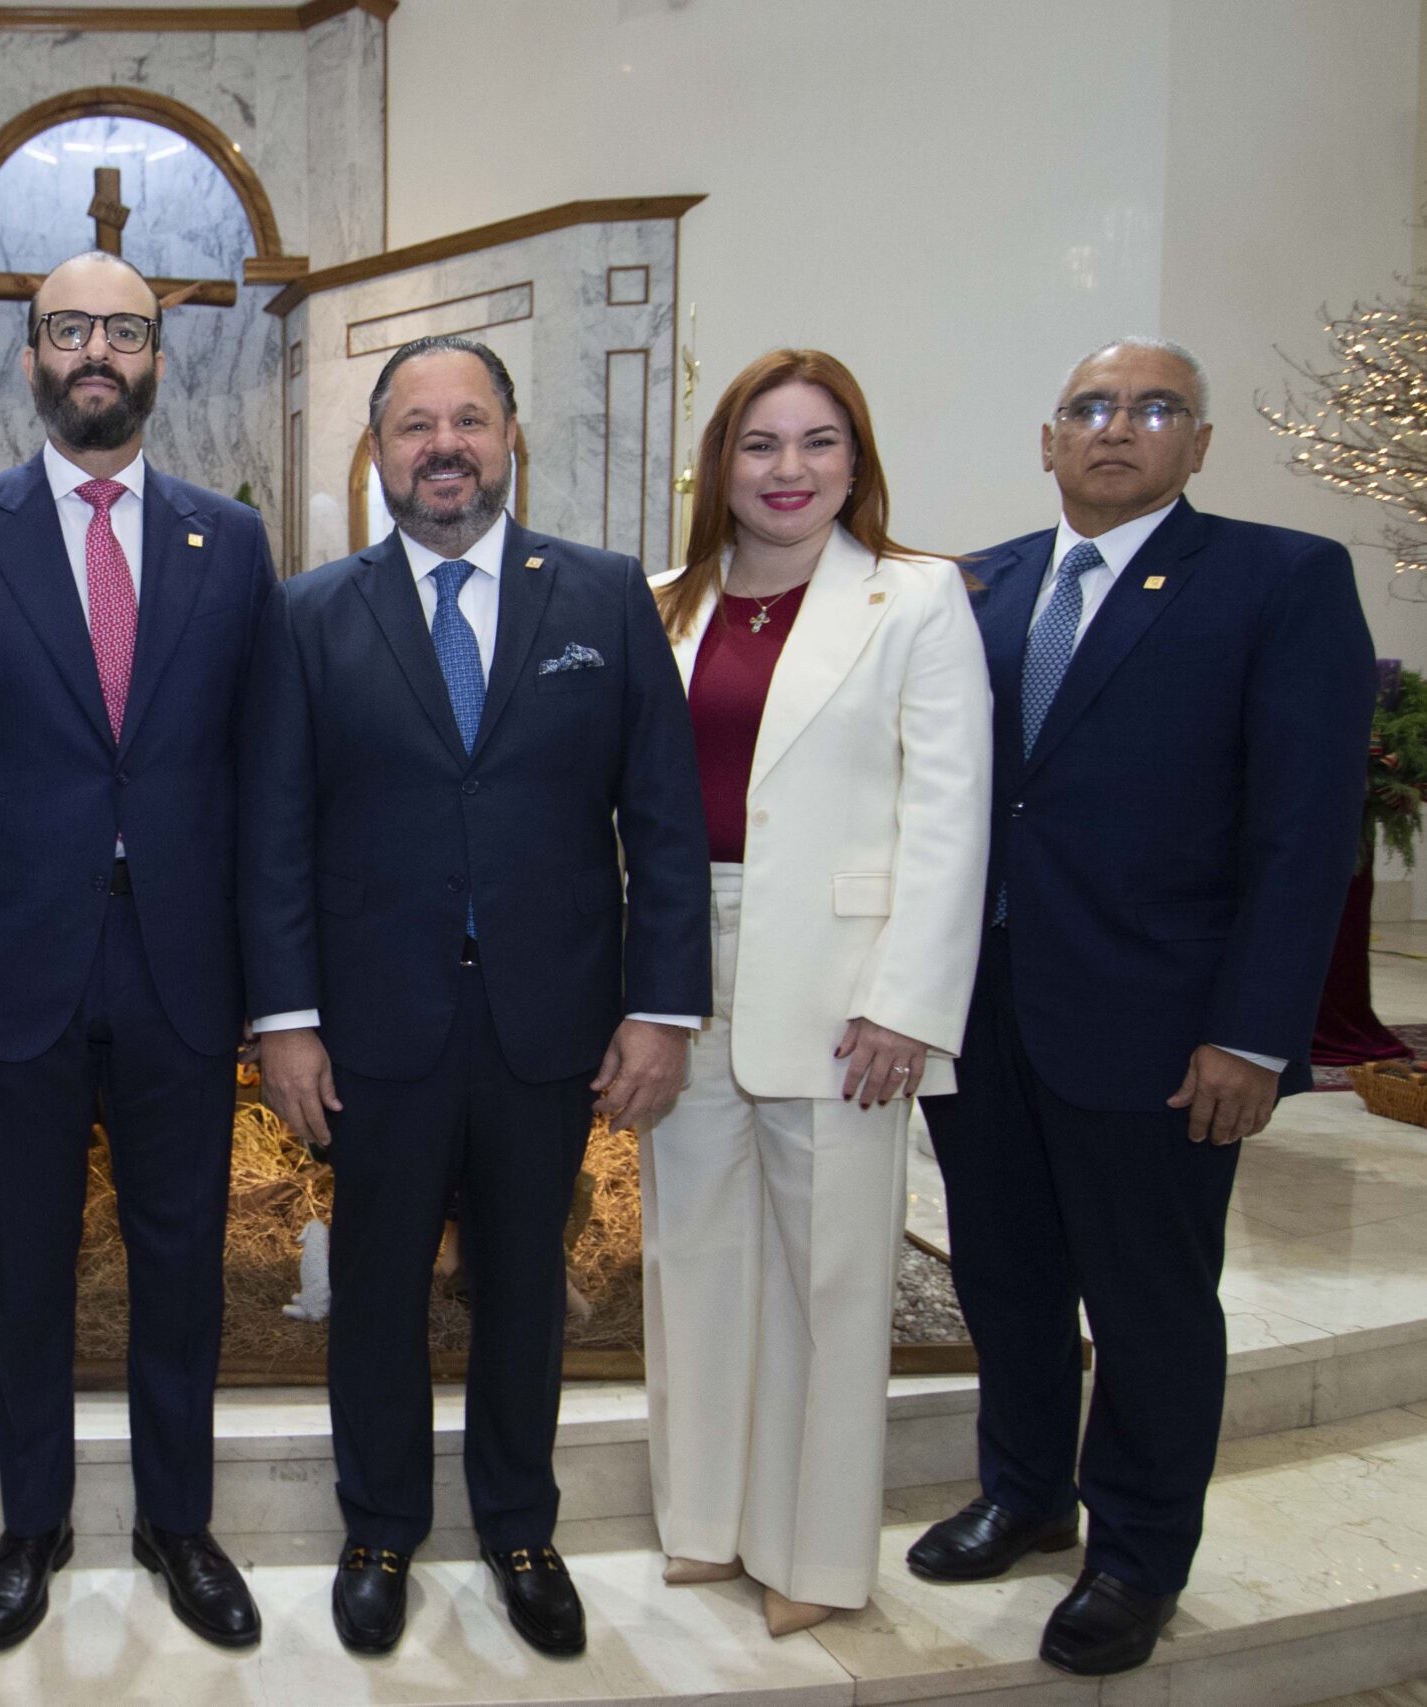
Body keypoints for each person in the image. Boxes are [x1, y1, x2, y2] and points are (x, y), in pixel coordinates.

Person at [243, 334, 712, 1659]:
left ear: (510, 438)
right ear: (379, 451)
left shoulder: (606, 596)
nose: (442, 446)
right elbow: (272, 833)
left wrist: (662, 1005)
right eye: (414, 425)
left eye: (467, 421)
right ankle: (379, 1529)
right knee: (376, 1288)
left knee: (524, 1284)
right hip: (371, 1026)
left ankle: (519, 1526)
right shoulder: (309, 613)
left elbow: (663, 818)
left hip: (547, 1018)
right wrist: (285, 1017)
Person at [910, 339, 1373, 1676]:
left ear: (1199, 445)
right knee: (1004, 1274)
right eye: (1091, 408)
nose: (1119, 427)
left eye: (1155, 408)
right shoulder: (976, 586)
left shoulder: (1277, 579)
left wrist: (1255, 1031)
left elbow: (1305, 829)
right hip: (982, 1010)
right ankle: (1023, 1492)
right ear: (1048, 440)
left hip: (1162, 1025)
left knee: (1149, 1298)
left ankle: (1138, 1553)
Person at [0, 250, 276, 1653]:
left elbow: (264, 776)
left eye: (124, 329)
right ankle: (31, 1522)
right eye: (69, 328)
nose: (96, 350)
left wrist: (269, 978)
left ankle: (179, 1522)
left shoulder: (231, 541)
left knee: (183, 1261)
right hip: (9, 965)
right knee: (29, 1263)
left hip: (184, 967)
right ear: (30, 354)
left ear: (161, 356)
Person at [641, 350, 991, 1636]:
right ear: (718, 467)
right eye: (760, 444)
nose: (787, 470)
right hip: (683, 965)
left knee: (831, 1278)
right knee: (693, 1255)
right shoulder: (661, 604)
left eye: (817, 442)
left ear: (856, 462)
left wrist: (907, 1000)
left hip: (846, 989)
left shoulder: (916, 597)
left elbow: (949, 813)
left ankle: (816, 1556)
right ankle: (706, 1522)